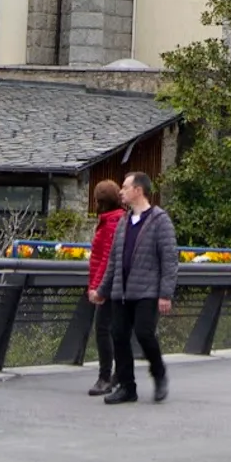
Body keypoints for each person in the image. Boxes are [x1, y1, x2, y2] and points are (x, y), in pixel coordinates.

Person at [94, 171, 178, 405]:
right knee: (118, 334)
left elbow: (170, 259)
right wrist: (102, 290)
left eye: (125, 187)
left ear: (138, 190)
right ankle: (127, 386)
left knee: (143, 333)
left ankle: (159, 372)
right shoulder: (123, 222)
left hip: (147, 291)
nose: (121, 191)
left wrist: (165, 294)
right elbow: (113, 260)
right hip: (122, 291)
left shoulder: (160, 220)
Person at [86, 180, 124, 396]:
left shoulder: (110, 224)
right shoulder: (115, 220)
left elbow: (105, 258)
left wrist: (97, 288)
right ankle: (116, 376)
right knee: (113, 330)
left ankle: (106, 376)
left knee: (103, 329)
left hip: (108, 286)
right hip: (113, 284)